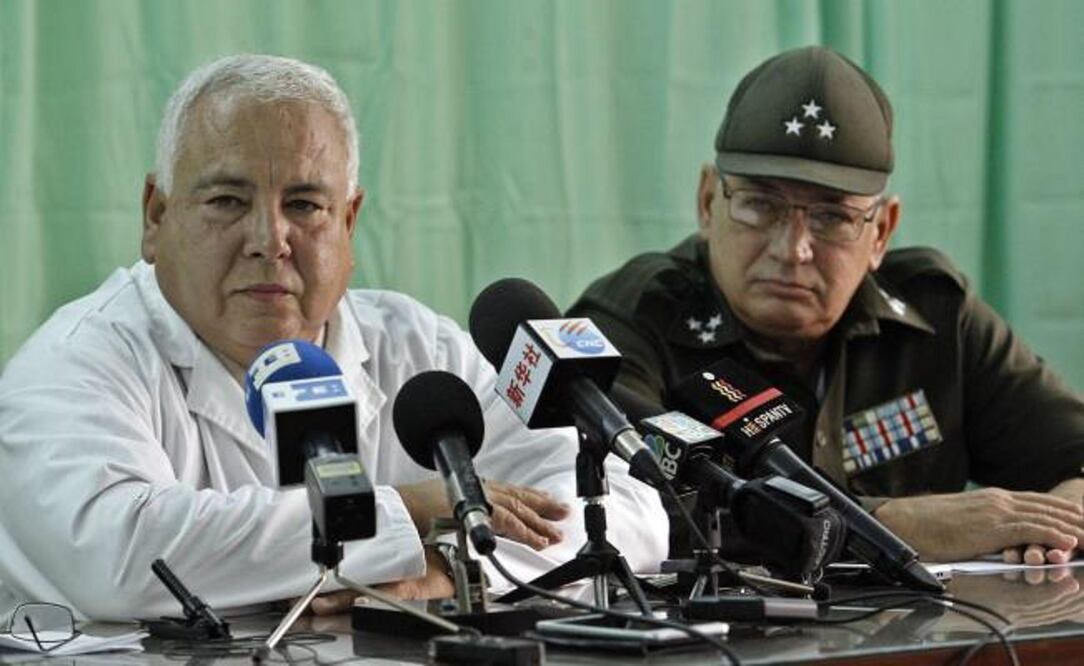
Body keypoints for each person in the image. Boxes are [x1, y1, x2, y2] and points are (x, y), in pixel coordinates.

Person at [0, 54, 666, 621]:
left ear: (349, 221)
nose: (269, 241)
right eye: (227, 201)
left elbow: (624, 505)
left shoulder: (418, 350)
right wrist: (405, 514)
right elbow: (118, 552)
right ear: (157, 216)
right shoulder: (75, 363)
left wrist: (453, 567)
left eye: (304, 205)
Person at [568, 46, 1084, 566]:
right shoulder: (630, 322)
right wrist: (886, 525)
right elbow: (615, 509)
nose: (792, 250)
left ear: (880, 231)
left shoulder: (936, 317)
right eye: (760, 204)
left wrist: (1058, 525)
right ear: (708, 202)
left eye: (832, 217)